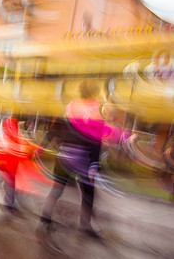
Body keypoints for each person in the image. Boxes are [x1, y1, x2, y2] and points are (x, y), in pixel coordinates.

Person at [37, 80, 128, 239]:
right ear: (94, 93)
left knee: (57, 188)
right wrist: (94, 165)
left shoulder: (70, 107)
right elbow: (96, 140)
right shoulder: (94, 111)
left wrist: (42, 147)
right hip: (81, 158)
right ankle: (85, 225)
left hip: (63, 154)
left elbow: (55, 129)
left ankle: (45, 218)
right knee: (88, 192)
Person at [0, 118, 42, 222]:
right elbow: (11, 154)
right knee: (3, 188)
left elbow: (26, 147)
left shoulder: (13, 139)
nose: (14, 130)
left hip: (7, 169)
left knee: (4, 188)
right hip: (4, 170)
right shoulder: (7, 141)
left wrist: (36, 148)